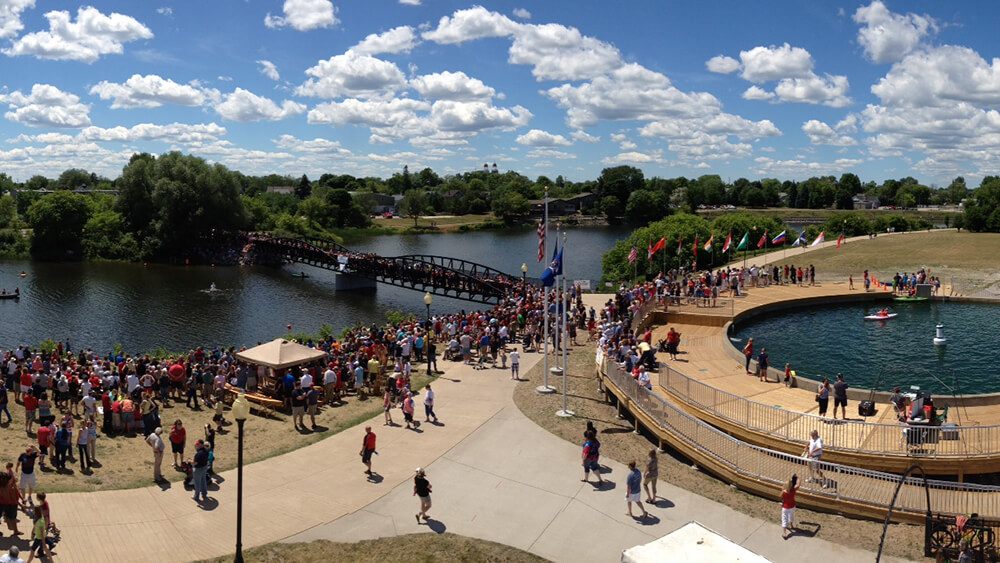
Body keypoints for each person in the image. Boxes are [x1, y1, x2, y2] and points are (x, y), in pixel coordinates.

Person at [781, 474, 800, 539]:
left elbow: (781, 495)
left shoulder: (784, 492)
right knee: (791, 515)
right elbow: (798, 485)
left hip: (785, 507)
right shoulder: (793, 490)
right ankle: (791, 525)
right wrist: (798, 478)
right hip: (792, 506)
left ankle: (784, 533)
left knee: (784, 519)